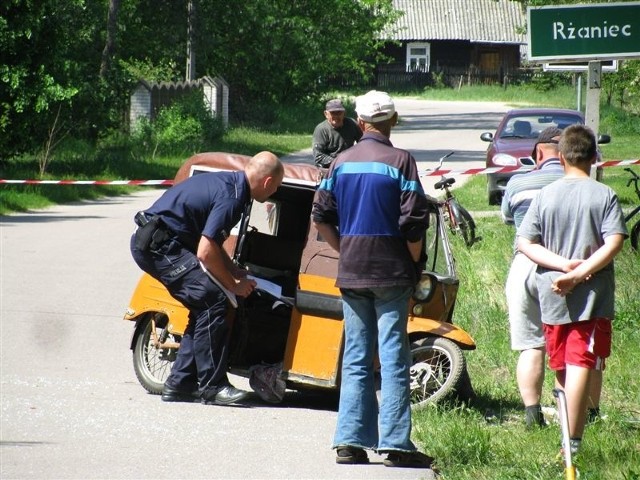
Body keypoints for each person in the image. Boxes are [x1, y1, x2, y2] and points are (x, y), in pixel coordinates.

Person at [312, 90, 433, 469]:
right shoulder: (402, 161)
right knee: (394, 358)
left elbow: (320, 215)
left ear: (361, 124)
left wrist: (345, 248)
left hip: (353, 270)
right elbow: (413, 224)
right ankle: (395, 444)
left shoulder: (341, 162)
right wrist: (414, 268)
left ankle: (349, 442)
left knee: (356, 357)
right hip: (392, 272)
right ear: (392, 122)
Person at [130, 151, 284, 406]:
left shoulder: (232, 185)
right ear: (267, 183)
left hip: (165, 243)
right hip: (158, 246)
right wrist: (233, 285)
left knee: (205, 304)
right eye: (276, 186)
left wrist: (233, 271)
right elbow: (205, 251)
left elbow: (211, 242)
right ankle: (213, 387)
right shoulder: (233, 197)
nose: (274, 191)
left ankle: (180, 384)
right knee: (213, 300)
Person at [517, 125, 627, 456]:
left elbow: (525, 242)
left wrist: (562, 267)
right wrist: (579, 273)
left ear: (561, 157)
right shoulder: (603, 195)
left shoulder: (545, 195)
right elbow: (615, 242)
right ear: (595, 158)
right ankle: (573, 444)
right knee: (581, 364)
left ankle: (566, 437)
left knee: (563, 368)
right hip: (591, 299)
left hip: (552, 294)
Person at [502, 127, 565, 428]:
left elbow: (506, 218)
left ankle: (531, 415)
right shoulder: (575, 182)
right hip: (561, 266)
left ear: (538, 153)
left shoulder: (517, 182)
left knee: (531, 344)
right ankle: (575, 414)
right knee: (566, 343)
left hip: (523, 263)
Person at [312, 98, 362, 168]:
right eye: (333, 113)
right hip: (328, 168)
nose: (336, 116)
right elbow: (318, 157)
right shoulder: (321, 129)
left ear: (344, 113)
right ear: (326, 114)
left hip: (349, 165)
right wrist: (340, 162)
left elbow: (363, 143)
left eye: (339, 113)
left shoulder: (352, 124)